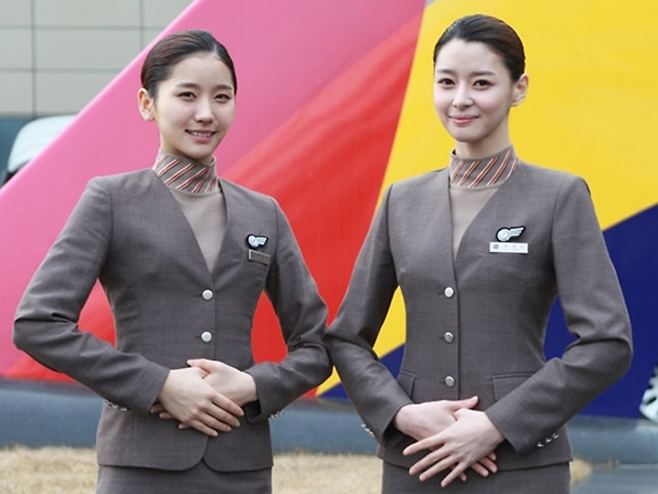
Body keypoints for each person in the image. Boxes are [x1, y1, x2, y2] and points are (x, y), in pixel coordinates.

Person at [13, 29, 330, 494]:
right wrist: (158, 384)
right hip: (140, 464)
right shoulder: (111, 200)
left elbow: (316, 346)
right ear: (148, 104)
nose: (206, 113)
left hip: (241, 466)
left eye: (221, 97)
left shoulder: (263, 213)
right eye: (187, 95)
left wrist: (254, 386)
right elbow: (38, 324)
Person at [326, 14, 632, 493]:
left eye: (482, 83)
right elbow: (346, 338)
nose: (461, 99)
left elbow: (607, 343)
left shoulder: (559, 197)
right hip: (417, 463)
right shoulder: (401, 201)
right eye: (446, 82)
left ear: (518, 88)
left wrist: (498, 424)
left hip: (521, 468)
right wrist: (401, 414)